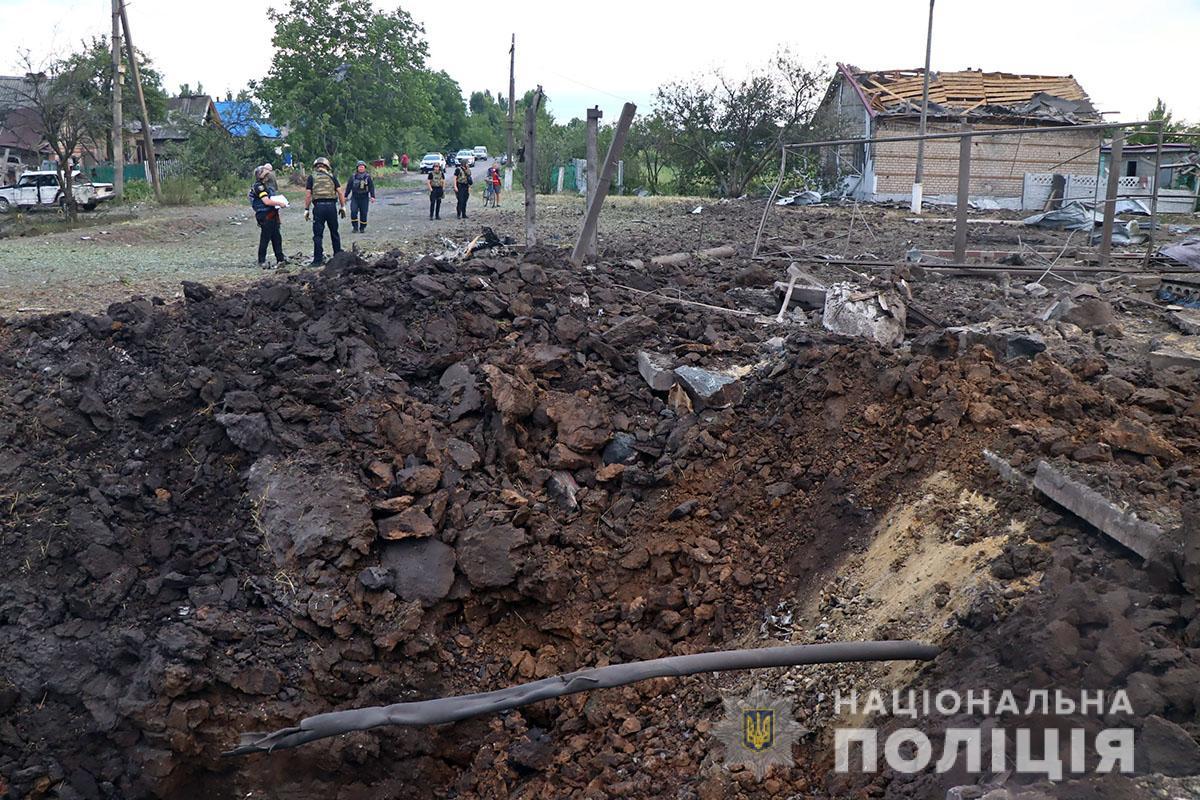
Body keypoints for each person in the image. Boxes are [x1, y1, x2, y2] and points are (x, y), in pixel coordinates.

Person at [303, 156, 345, 266]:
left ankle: (317, 260)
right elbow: (340, 192)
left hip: (319, 208)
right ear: (327, 166)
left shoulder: (311, 178)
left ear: (316, 166)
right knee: (334, 232)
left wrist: (306, 209)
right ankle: (338, 256)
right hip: (331, 207)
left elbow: (308, 195)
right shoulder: (332, 177)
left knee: (318, 235)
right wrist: (342, 206)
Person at [249, 163, 287, 269]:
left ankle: (280, 259)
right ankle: (262, 260)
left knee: (276, 238)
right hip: (265, 215)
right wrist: (279, 204)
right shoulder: (259, 186)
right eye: (265, 175)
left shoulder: (266, 186)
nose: (267, 177)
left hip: (271, 215)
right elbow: (266, 201)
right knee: (265, 238)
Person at [346, 160, 376, 233]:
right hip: (355, 197)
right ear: (357, 168)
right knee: (353, 212)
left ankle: (362, 228)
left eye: (362, 167)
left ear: (365, 168)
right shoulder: (353, 177)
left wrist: (372, 196)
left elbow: (371, 187)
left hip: (364, 198)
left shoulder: (367, 177)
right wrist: (345, 196)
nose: (361, 168)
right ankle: (355, 227)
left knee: (363, 213)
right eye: (359, 167)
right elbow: (349, 187)